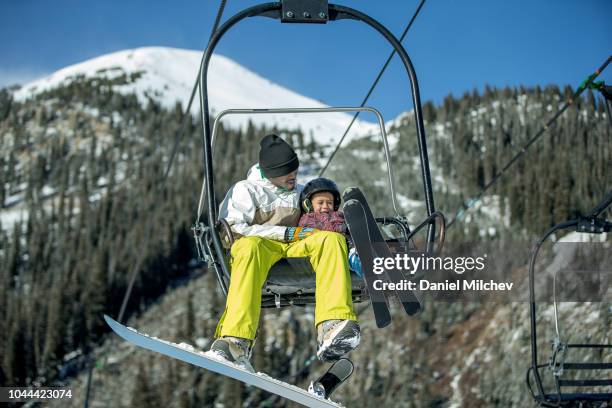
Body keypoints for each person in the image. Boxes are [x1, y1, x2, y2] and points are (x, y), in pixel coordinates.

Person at [209, 134, 360, 371]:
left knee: (330, 240)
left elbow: (318, 218)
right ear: (270, 172)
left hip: (296, 246)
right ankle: (235, 339)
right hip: (260, 244)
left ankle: (332, 325)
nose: (293, 177)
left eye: (295, 171)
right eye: (287, 173)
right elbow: (234, 228)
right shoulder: (246, 190)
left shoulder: (300, 192)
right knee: (247, 247)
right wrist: (285, 233)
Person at [298, 178, 363, 277]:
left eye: (329, 203)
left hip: (351, 245)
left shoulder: (340, 216)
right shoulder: (307, 219)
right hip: (330, 252)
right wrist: (343, 227)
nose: (325, 206)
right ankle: (360, 264)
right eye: (320, 203)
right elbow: (322, 226)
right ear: (308, 205)